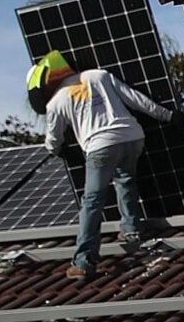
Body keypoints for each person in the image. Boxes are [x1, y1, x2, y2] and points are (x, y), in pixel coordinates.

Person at [28, 50, 175, 279]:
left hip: (100, 146)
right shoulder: (98, 76)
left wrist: (55, 151)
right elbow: (136, 99)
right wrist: (168, 116)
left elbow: (53, 140)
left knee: (92, 201)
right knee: (125, 179)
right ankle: (131, 230)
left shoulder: (56, 102)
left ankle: (84, 261)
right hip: (133, 137)